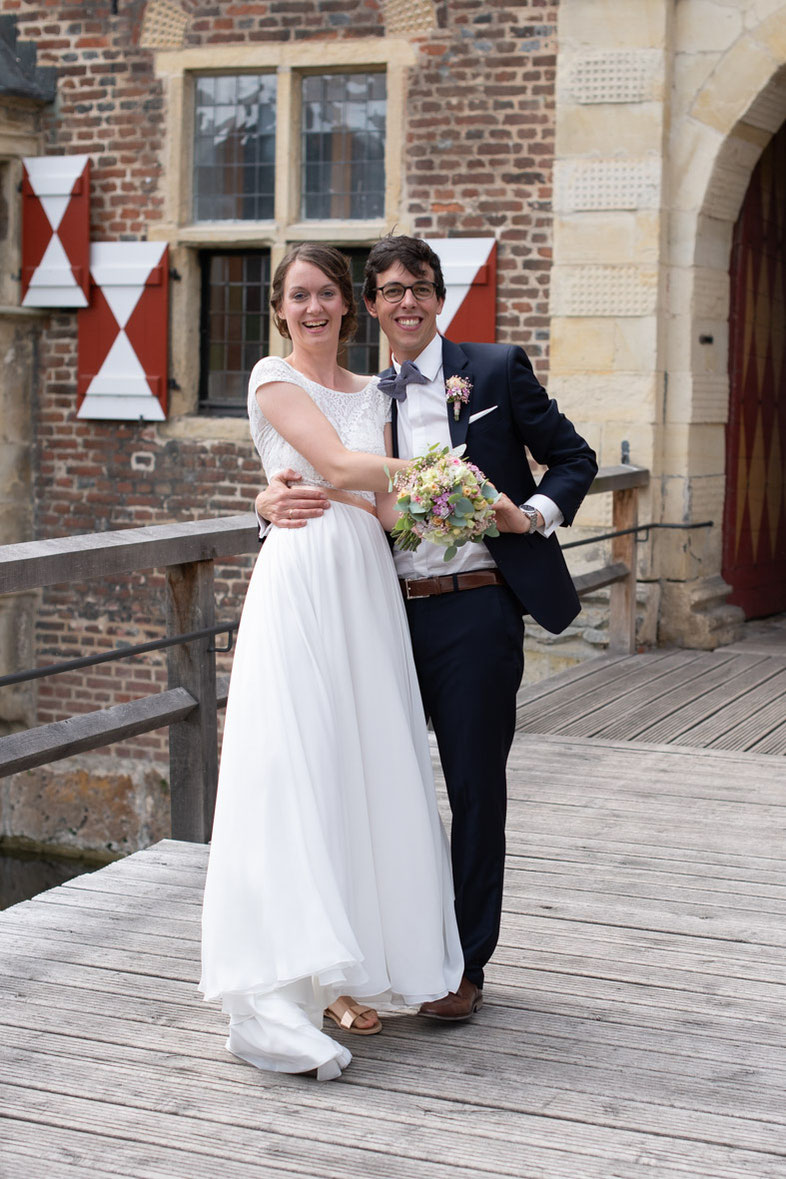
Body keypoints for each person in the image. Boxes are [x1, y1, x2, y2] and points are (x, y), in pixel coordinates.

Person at [256, 234, 598, 1022]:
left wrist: (529, 513)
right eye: (390, 290)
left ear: (441, 296)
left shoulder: (496, 369)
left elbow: (573, 460)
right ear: (368, 306)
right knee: (382, 783)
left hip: (477, 606)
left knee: (477, 786)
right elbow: (323, 480)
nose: (406, 301)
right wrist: (264, 505)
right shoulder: (361, 394)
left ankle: (464, 964)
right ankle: (391, 952)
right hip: (377, 613)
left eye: (421, 286)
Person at [200, 243, 464, 1080]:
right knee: (298, 762)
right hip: (304, 574)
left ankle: (345, 968)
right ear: (280, 308)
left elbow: (379, 504)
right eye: (299, 295)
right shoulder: (272, 376)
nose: (314, 307)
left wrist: (443, 503)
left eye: (327, 294)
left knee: (364, 762)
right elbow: (344, 466)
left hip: (365, 583)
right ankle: (282, 982)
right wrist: (434, 468)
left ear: (350, 305)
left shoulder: (371, 391)